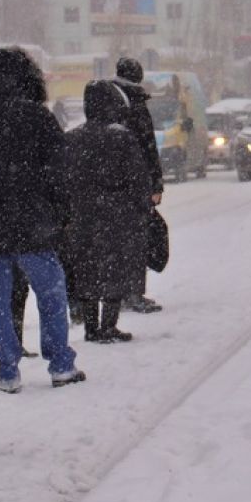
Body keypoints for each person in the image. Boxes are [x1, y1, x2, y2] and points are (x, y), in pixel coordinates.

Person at [0, 47, 85, 393]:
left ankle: (4, 370)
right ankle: (60, 364)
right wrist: (61, 215)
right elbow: (60, 174)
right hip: (34, 226)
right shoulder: (38, 118)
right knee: (51, 295)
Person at [63, 81, 155, 344]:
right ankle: (108, 325)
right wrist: (140, 208)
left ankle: (91, 327)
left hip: (81, 214)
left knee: (87, 268)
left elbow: (61, 178)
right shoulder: (122, 137)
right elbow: (139, 179)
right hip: (117, 213)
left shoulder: (72, 138)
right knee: (115, 267)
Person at [113, 58, 165, 314]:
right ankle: (133, 293)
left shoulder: (108, 98)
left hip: (110, 183)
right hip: (136, 183)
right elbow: (148, 146)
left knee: (114, 242)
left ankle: (115, 294)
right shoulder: (136, 101)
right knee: (136, 239)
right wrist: (156, 184)